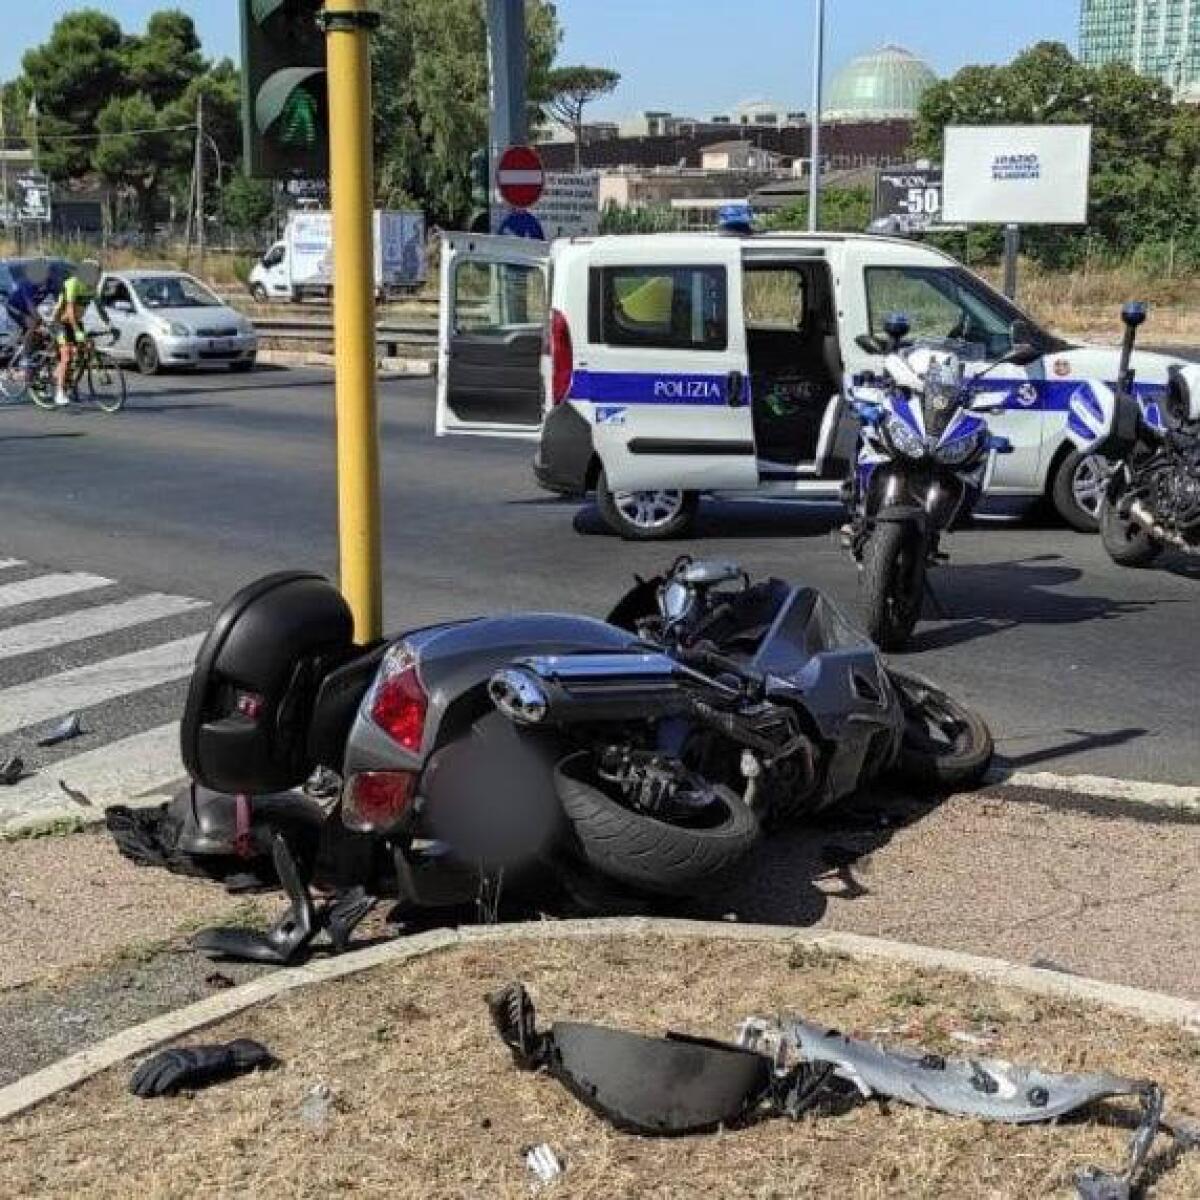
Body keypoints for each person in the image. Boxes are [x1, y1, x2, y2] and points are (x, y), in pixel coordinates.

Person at [51, 259, 111, 407]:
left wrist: (110, 324)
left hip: (76, 322)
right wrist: (77, 331)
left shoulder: (92, 287)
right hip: (60, 322)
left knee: (85, 349)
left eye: (99, 274)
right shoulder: (73, 283)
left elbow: (100, 308)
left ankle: (65, 378)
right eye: (96, 274)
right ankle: (59, 393)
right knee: (67, 356)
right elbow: (69, 310)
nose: (97, 277)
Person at [3, 258, 54, 363]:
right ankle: (25, 357)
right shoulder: (27, 283)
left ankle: (25, 347)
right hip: (14, 307)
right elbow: (30, 306)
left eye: (47, 271)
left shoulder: (49, 283)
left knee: (41, 328)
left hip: (26, 309)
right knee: (33, 324)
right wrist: (40, 319)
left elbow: (56, 299)